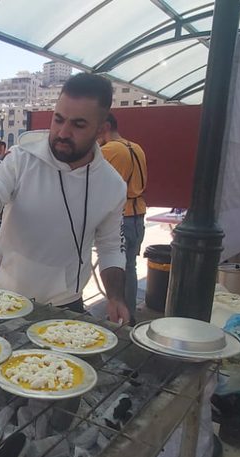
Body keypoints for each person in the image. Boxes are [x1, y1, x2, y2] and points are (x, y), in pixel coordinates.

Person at [0, 73, 130, 323]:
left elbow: (111, 247)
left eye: (78, 125)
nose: (62, 132)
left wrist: (115, 298)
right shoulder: (20, 158)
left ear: (101, 129)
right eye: (58, 119)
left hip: (65, 305)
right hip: (3, 297)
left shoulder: (113, 185)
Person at [99, 112, 148, 323]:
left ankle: (121, 315)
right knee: (130, 266)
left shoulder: (108, 150)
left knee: (117, 267)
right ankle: (130, 314)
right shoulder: (136, 147)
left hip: (120, 216)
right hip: (138, 215)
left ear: (105, 127)